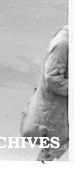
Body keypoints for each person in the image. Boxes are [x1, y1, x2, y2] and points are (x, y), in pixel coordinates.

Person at [20, 26, 68, 161]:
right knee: (50, 153)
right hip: (56, 110)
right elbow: (52, 79)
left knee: (52, 152)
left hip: (65, 109)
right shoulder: (64, 43)